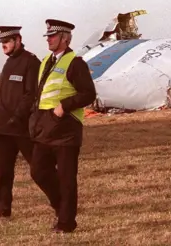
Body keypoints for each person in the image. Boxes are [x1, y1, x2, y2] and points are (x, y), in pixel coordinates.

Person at [29, 19, 96, 233]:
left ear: (65, 39)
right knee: (38, 172)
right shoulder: (45, 62)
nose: (48, 39)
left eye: (53, 36)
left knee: (67, 179)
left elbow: (88, 94)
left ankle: (67, 223)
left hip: (66, 130)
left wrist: (64, 107)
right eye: (47, 36)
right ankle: (60, 207)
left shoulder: (76, 63)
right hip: (45, 129)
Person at [0, 25, 41, 218]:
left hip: (22, 128)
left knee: (40, 168)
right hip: (4, 128)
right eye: (2, 42)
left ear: (18, 40)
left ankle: (62, 203)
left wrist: (17, 117)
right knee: (3, 170)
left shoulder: (31, 62)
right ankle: (1, 208)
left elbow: (30, 94)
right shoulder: (8, 63)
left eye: (7, 41)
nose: (4, 45)